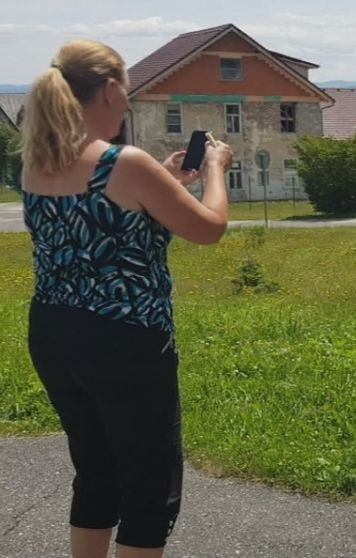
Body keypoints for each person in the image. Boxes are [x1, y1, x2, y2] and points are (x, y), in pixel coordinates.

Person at [20, 39, 233, 558]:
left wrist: (163, 178)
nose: (129, 105)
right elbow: (209, 228)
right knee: (148, 489)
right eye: (128, 94)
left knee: (96, 472)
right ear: (111, 90)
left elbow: (110, 208)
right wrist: (215, 170)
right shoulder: (127, 162)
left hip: (53, 332)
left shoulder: (36, 161)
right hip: (123, 338)